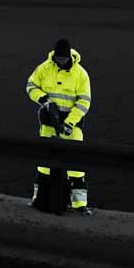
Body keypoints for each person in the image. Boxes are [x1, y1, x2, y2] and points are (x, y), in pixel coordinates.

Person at [26, 38, 92, 214]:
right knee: (43, 165)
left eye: (62, 58)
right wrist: (44, 100)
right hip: (48, 123)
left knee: (75, 167)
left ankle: (80, 206)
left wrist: (69, 123)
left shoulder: (81, 74)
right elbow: (31, 86)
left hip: (72, 126)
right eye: (57, 58)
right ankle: (37, 199)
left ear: (69, 55)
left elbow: (84, 102)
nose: (59, 61)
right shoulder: (45, 67)